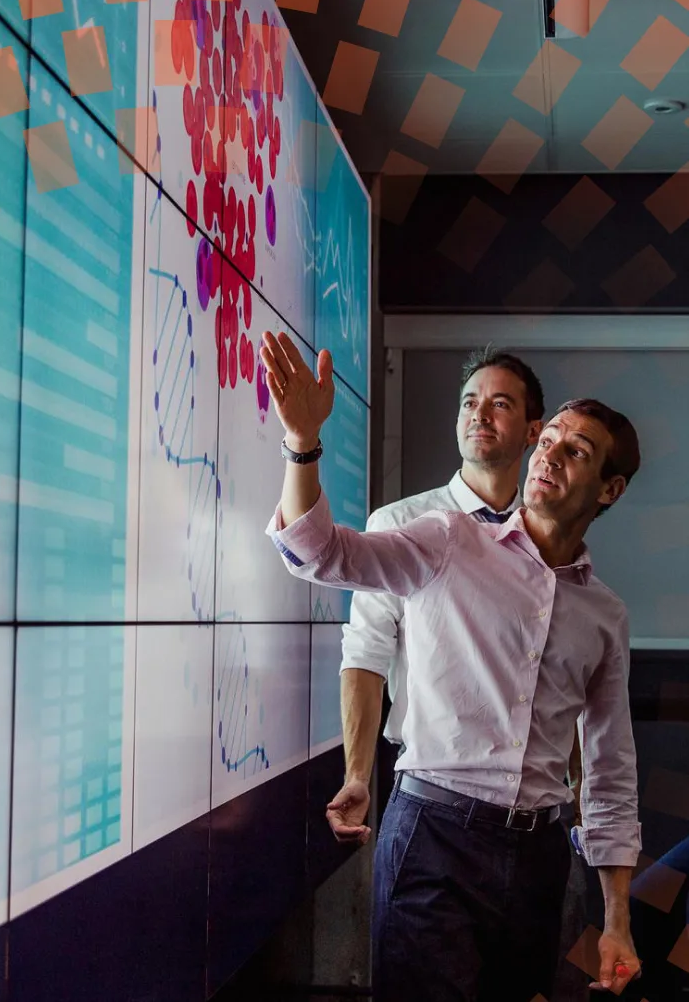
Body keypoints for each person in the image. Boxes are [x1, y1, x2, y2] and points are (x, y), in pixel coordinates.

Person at [261, 330, 642, 1002]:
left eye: (574, 450)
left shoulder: (605, 614)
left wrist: (617, 921)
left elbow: (609, 770)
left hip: (542, 855)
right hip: (434, 837)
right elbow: (316, 554)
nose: (551, 454)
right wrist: (302, 444)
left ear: (609, 489)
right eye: (550, 440)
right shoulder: (444, 538)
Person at [329, 347, 590, 1001]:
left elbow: (569, 686)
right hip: (434, 815)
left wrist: (587, 799)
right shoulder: (404, 525)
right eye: (470, 402)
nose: (480, 414)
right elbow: (364, 655)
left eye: (501, 403)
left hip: (535, 829)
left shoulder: (556, 544)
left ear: (534, 431)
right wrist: (358, 775)